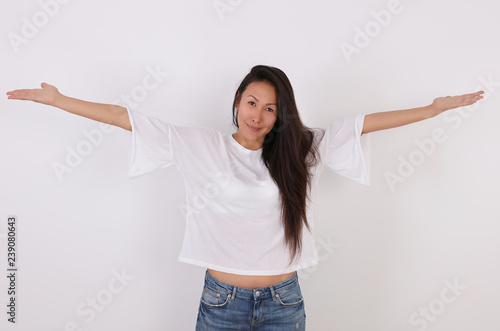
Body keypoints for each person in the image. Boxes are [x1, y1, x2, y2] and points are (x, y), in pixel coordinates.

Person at [6, 65, 484, 330]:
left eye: (270, 108)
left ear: (281, 117)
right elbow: (124, 116)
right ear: (237, 102)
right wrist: (60, 101)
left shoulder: (298, 151)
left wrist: (433, 110)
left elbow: (362, 124)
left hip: (284, 302)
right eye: (252, 102)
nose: (258, 114)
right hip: (222, 302)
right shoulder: (201, 146)